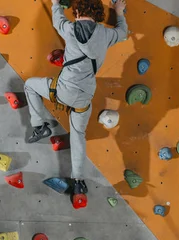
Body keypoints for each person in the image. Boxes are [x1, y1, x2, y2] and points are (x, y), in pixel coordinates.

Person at [24, 0, 128, 199]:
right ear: (97, 14)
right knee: (78, 135)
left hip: (63, 90)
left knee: (30, 85)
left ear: (78, 11)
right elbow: (122, 32)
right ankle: (79, 182)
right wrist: (119, 12)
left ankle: (39, 126)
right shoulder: (106, 34)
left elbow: (57, 20)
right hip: (84, 98)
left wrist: (56, 3)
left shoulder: (70, 29)